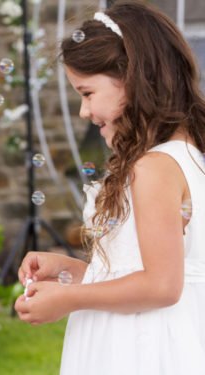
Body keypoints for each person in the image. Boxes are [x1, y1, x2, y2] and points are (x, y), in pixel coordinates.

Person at [14, 1, 205, 374]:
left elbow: (162, 286)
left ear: (133, 79)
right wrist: (69, 271)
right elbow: (139, 271)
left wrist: (69, 298)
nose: (84, 112)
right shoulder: (187, 154)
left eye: (87, 93)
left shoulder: (154, 167)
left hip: (141, 347)